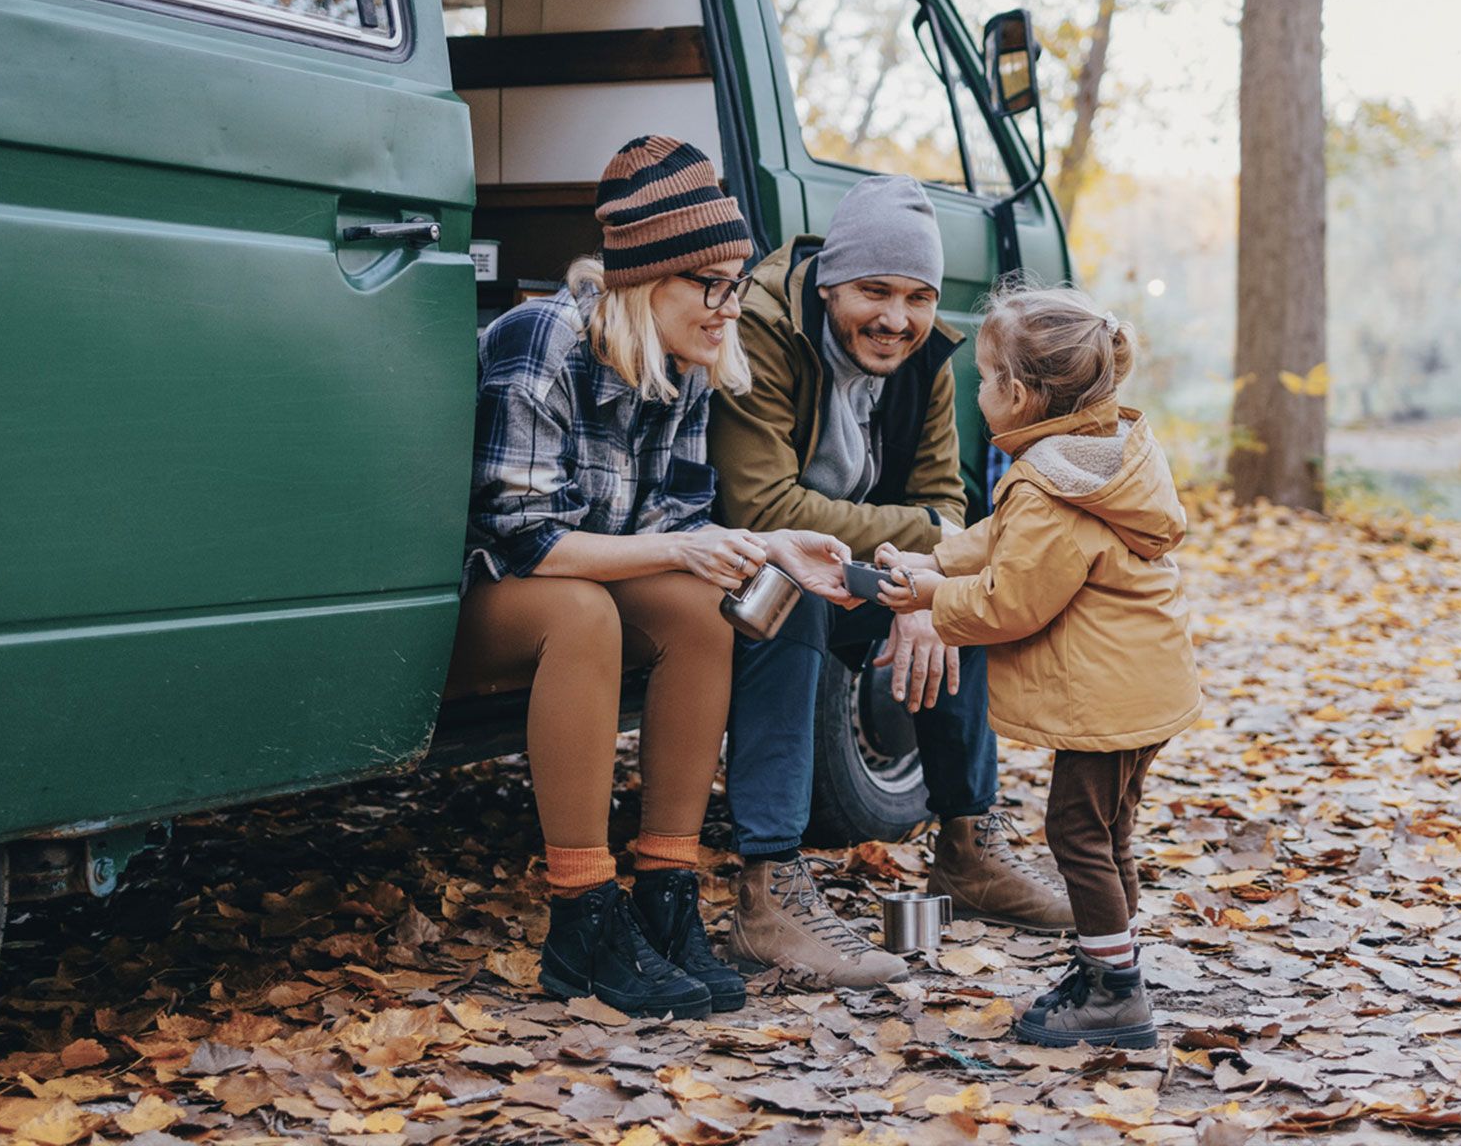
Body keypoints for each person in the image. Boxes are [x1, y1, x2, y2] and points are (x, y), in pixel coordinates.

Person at [449, 135, 854, 1020]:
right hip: (479, 604)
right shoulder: (542, 341)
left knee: (701, 615)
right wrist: (681, 550)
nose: (729, 308)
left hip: (576, 588)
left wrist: (774, 546)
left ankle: (663, 897)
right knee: (587, 613)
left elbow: (673, 526)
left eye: (737, 284)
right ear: (646, 280)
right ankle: (581, 913)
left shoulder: (685, 364)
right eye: (711, 285)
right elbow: (523, 541)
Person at [709, 176, 1075, 989]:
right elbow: (763, 503)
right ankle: (768, 887)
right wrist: (926, 552)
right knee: (786, 588)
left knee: (963, 603)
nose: (896, 318)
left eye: (916, 296)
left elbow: (945, 499)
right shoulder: (764, 330)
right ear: (832, 280)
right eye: (874, 291)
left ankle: (968, 851)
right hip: (736, 560)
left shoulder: (927, 354)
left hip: (852, 563)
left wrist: (920, 588)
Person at [876, 283, 1203, 1047]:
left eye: (986, 379)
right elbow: (1000, 540)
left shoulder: (1049, 485)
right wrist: (933, 556)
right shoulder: (1088, 458)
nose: (979, 391)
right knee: (1107, 830)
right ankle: (1106, 962)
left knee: (1076, 835)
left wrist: (929, 595)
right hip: (1140, 683)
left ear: (1018, 394)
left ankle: (1116, 993)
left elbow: (1009, 601)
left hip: (1109, 696)